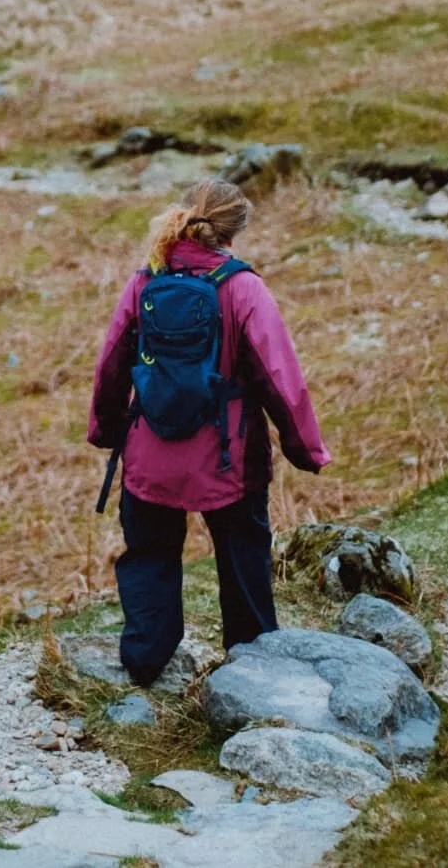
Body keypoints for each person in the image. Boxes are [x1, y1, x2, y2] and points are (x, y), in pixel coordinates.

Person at [87, 178, 330, 686]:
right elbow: (279, 377)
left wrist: (108, 430)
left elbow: (111, 364)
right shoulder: (243, 288)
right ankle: (253, 665)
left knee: (150, 557)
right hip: (228, 455)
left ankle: (144, 663)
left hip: (149, 453)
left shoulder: (144, 281)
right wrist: (305, 450)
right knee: (243, 557)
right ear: (234, 231)